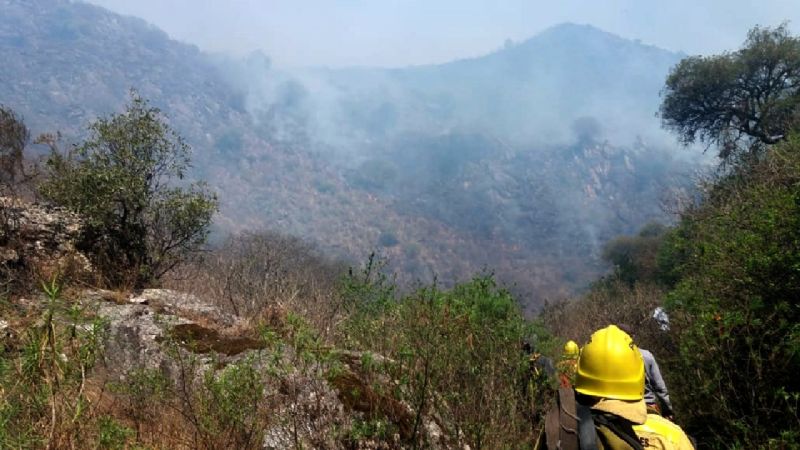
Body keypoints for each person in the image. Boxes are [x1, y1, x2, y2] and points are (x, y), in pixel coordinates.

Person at [536, 325, 694, 450]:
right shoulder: (671, 437)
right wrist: (667, 409)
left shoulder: (560, 429)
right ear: (638, 375)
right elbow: (660, 388)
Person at [617, 324, 674, 418]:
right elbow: (660, 388)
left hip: (619, 407)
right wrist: (667, 411)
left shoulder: (608, 358)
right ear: (632, 337)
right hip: (648, 406)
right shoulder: (646, 356)